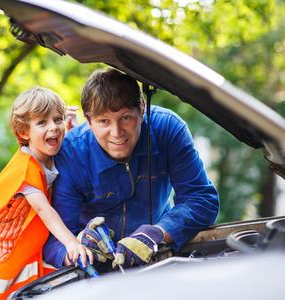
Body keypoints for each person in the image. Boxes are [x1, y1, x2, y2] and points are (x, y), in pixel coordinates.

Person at [43, 68, 219, 270]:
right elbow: (53, 240)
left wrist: (158, 233)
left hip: (159, 255)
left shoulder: (168, 129)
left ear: (143, 109)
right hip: (97, 268)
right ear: (88, 121)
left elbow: (201, 199)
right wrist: (77, 249)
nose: (117, 132)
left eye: (125, 117)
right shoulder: (70, 154)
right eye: (104, 121)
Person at [0, 86, 92, 300]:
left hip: (20, 233)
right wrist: (71, 242)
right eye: (42, 122)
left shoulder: (50, 148)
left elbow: (69, 142)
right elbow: (43, 208)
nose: (54, 128)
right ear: (23, 132)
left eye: (57, 119)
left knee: (28, 285)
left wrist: (71, 125)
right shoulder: (25, 167)